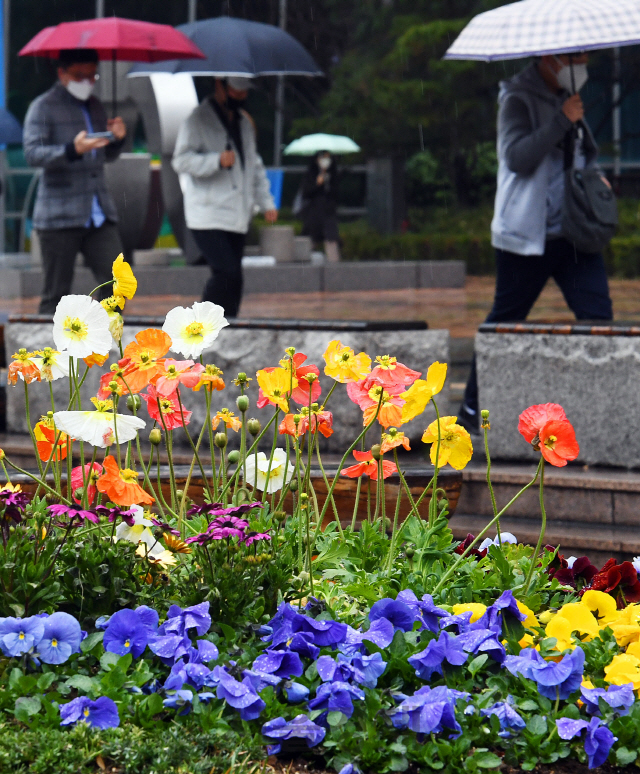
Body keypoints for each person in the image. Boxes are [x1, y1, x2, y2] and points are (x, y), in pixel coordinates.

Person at [458, 52, 613, 433]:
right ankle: (471, 411)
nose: (582, 62)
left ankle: (612, 412)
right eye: (573, 56)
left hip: (574, 232)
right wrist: (562, 119)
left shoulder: (568, 94)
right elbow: (516, 158)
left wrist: (596, 177)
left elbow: (580, 153)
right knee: (504, 321)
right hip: (526, 236)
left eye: (584, 55)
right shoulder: (517, 98)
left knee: (600, 320)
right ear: (549, 57)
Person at [23, 48, 127, 314]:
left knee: (118, 285)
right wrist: (71, 150)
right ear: (62, 73)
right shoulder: (42, 106)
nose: (87, 82)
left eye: (92, 75)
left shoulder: (95, 105)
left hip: (98, 211)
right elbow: (33, 154)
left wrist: (118, 138)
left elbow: (105, 154)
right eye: (79, 75)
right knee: (55, 294)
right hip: (59, 214)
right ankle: (49, 353)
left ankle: (103, 344)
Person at [172, 77, 277, 317]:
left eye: (243, 92)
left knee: (235, 278)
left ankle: (229, 325)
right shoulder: (197, 119)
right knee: (225, 272)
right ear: (219, 85)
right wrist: (215, 161)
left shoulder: (244, 123)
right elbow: (180, 160)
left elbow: (254, 165)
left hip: (237, 213)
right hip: (207, 213)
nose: (240, 97)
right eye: (235, 91)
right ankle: (199, 325)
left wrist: (266, 201)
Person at [299, 151, 341, 262]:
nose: (325, 161)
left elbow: (336, 193)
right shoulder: (311, 174)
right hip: (314, 212)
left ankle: (334, 267)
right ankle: (304, 264)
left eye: (328, 158)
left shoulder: (333, 174)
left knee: (331, 239)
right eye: (322, 158)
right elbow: (306, 193)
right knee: (311, 239)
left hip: (328, 212)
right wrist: (317, 184)